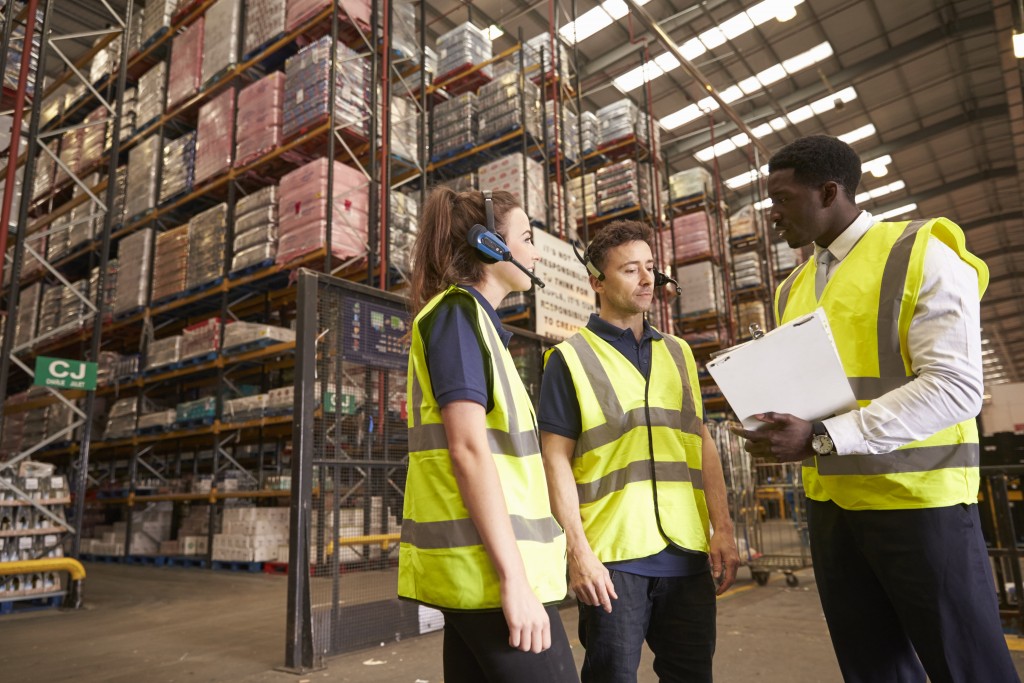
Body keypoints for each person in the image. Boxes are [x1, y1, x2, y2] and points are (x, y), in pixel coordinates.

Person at [731, 134, 1019, 683]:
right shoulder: (791, 288)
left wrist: (820, 436)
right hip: (833, 508)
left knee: (967, 667)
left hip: (918, 505)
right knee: (872, 670)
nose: (773, 216)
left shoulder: (921, 253)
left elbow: (954, 387)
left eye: (782, 200)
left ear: (829, 191)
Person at [539, 219, 740, 683]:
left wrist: (723, 528)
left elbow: (701, 444)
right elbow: (555, 461)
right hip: (614, 558)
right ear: (598, 281)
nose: (648, 278)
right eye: (631, 269)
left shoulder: (679, 353)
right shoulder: (569, 359)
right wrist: (577, 552)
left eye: (650, 267)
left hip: (687, 552)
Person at [397, 187, 578, 683]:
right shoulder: (457, 317)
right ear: (489, 246)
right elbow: (469, 450)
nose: (536, 252)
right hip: (490, 574)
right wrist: (514, 579)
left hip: (480, 574)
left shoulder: (475, 324)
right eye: (526, 237)